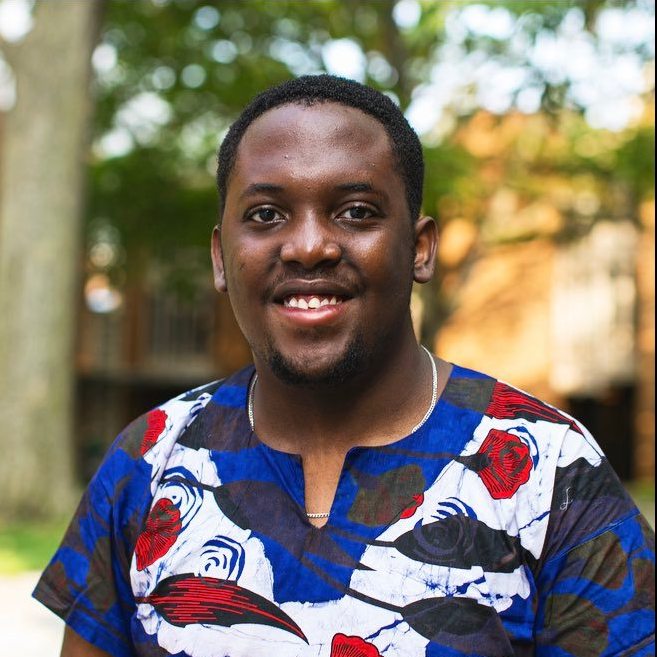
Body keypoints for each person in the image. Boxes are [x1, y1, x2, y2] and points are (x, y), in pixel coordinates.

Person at [35, 75, 654, 657]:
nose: (309, 246)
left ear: (419, 248)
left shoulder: (548, 470)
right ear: (221, 259)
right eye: (265, 215)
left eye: (356, 211)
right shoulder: (146, 464)